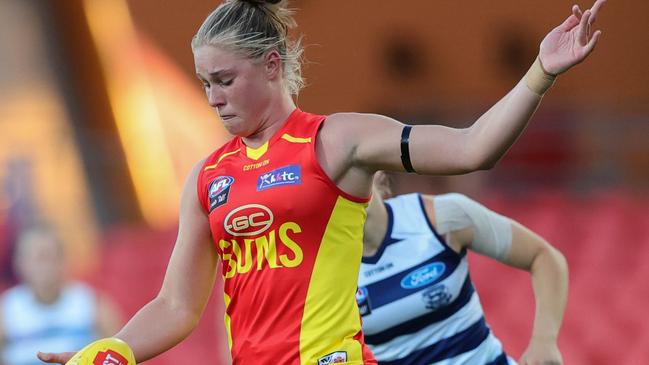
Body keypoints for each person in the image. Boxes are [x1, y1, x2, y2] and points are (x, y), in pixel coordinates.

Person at [38, 0, 605, 364]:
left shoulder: (340, 141)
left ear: (272, 63)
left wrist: (541, 73)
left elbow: (472, 147)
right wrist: (111, 353)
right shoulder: (208, 177)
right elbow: (176, 305)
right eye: (204, 83)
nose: (212, 97)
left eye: (224, 80)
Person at [357, 172, 568, 365]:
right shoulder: (325, 266)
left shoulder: (439, 217)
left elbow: (543, 257)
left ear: (374, 172)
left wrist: (544, 343)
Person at [0, 225, 122, 365]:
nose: (41, 266)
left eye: (46, 256)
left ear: (63, 260)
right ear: (19, 263)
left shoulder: (93, 303)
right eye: (33, 258)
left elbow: (119, 354)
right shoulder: (5, 310)